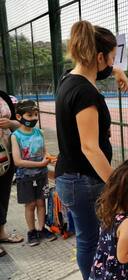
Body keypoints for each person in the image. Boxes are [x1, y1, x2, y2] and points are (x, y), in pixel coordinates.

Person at [54, 20, 128, 279]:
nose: (111, 65)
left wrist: (118, 71)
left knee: (89, 237)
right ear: (99, 57)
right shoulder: (85, 93)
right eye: (110, 59)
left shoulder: (68, 78)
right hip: (82, 180)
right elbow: (90, 147)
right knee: (90, 240)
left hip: (71, 177)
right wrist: (116, 184)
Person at [10, 100, 57, 247]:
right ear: (19, 116)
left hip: (41, 176)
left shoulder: (39, 132)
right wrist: (40, 164)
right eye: (29, 115)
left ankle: (41, 229)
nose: (34, 118)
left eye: (36, 114)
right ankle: (31, 231)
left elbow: (43, 151)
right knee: (30, 205)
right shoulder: (16, 136)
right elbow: (17, 161)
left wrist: (50, 158)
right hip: (25, 177)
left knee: (41, 202)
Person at [0, 91, 23, 257]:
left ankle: (1, 233)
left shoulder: (3, 96)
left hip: (7, 156)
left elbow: (19, 124)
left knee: (3, 195)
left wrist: (10, 123)